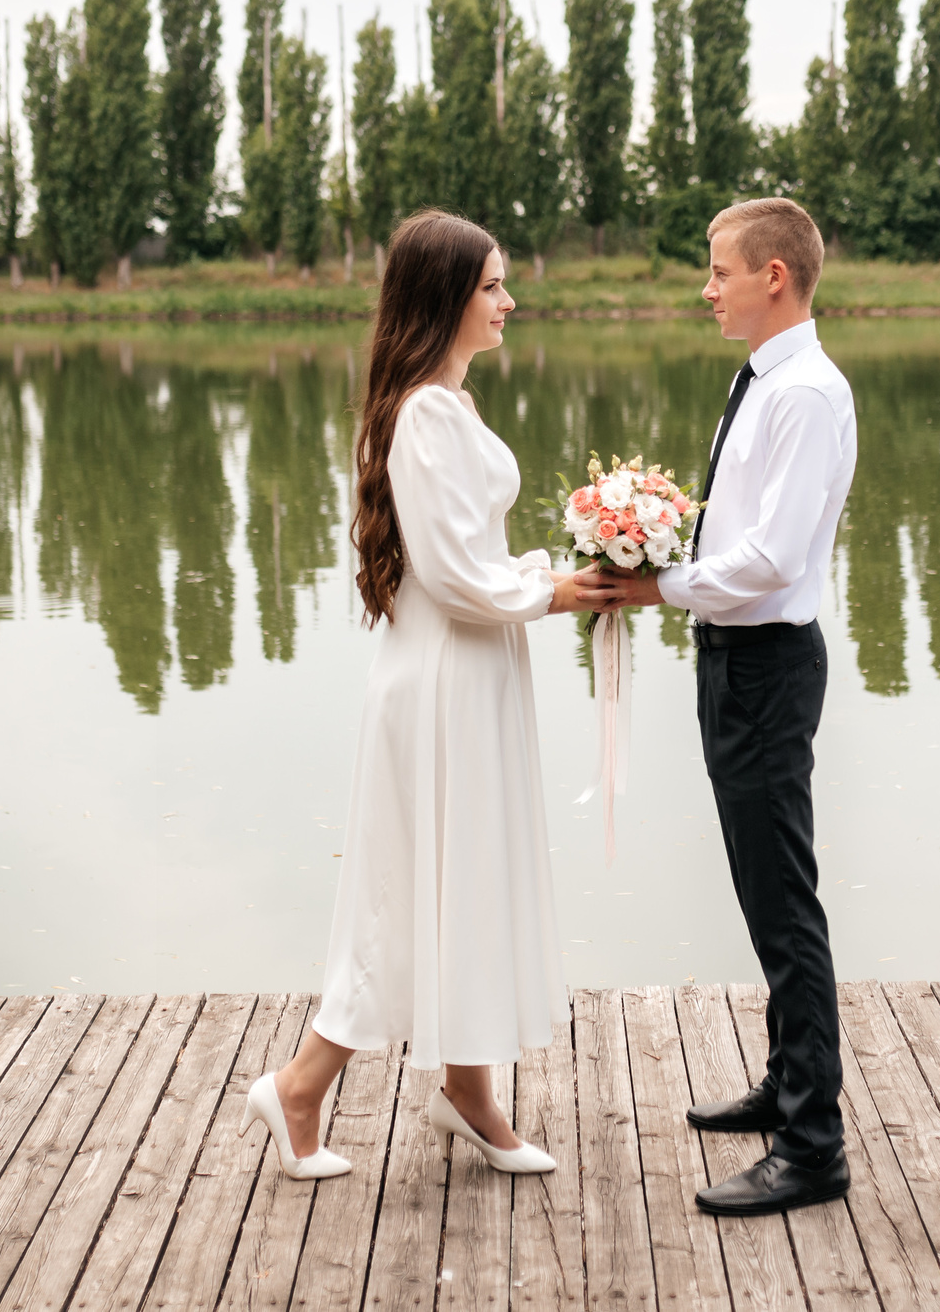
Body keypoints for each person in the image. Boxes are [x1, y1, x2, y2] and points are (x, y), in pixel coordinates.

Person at [244, 209, 590, 1182]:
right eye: (491, 286)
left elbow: (470, 558)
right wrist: (558, 590)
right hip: (444, 676)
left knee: (458, 876)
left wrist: (547, 571)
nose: (508, 301)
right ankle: (306, 1088)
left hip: (463, 666)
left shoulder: (446, 405)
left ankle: (465, 1094)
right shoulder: (425, 416)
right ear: (444, 298)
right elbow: (452, 574)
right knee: (411, 884)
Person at [577, 196, 857, 1216]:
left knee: (784, 904)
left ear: (772, 276)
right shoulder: (762, 384)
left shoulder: (804, 395)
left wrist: (657, 585)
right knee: (759, 890)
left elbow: (774, 559)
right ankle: (789, 1089)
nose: (707, 289)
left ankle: (813, 1144)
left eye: (719, 271)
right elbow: (737, 536)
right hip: (733, 660)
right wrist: (650, 545)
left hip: (767, 664)